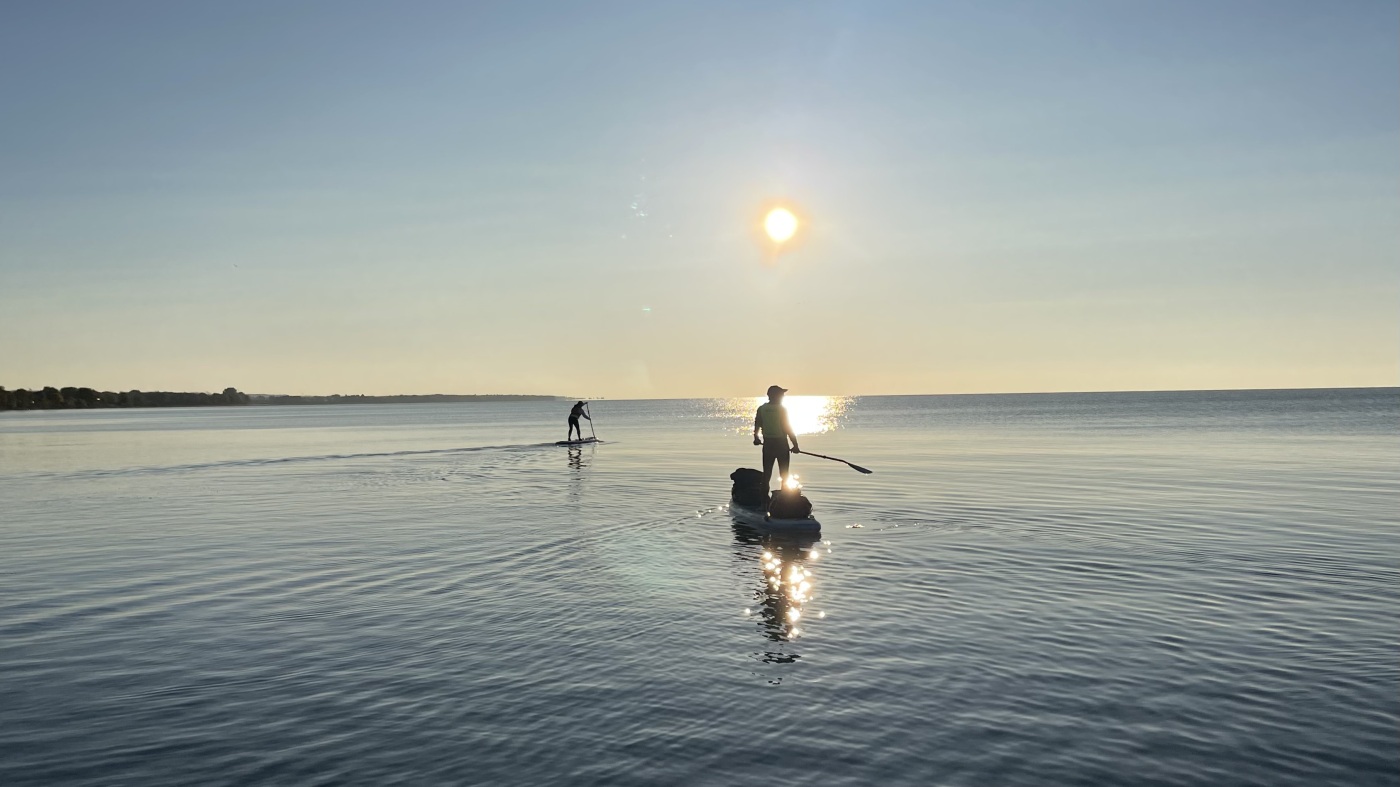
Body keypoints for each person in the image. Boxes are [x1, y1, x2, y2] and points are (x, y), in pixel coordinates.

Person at [753, 385, 800, 490]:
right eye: (781, 394)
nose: (783, 396)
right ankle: (784, 499)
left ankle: (764, 500)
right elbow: (787, 428)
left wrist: (756, 438)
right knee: (784, 474)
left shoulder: (761, 409)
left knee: (767, 473)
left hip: (768, 445)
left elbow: (757, 425)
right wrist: (795, 445)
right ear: (775, 396)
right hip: (781, 444)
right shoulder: (782, 409)